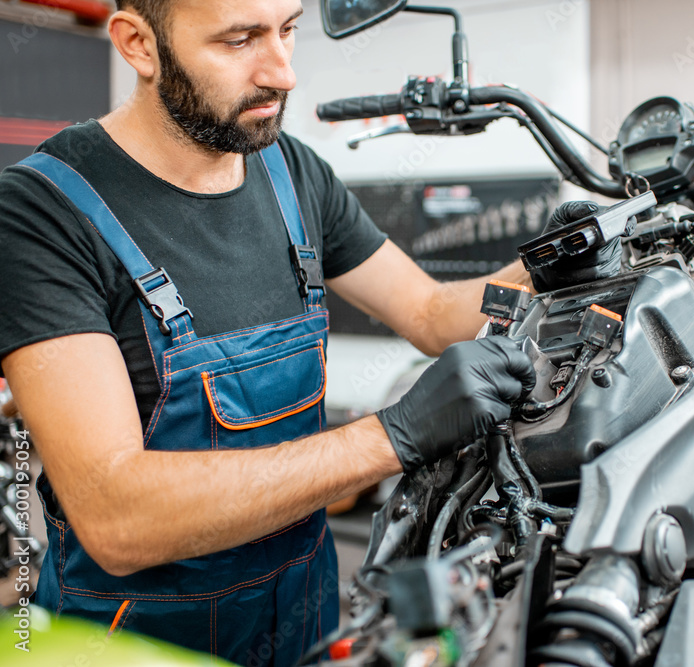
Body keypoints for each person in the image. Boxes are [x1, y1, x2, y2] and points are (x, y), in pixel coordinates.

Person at [0, 1, 546, 664]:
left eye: (288, 30)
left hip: (305, 622)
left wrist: (543, 267)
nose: (284, 73)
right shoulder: (41, 214)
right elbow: (116, 515)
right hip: (137, 643)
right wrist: (391, 435)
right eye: (240, 40)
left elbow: (432, 312)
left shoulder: (294, 173)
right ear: (139, 45)